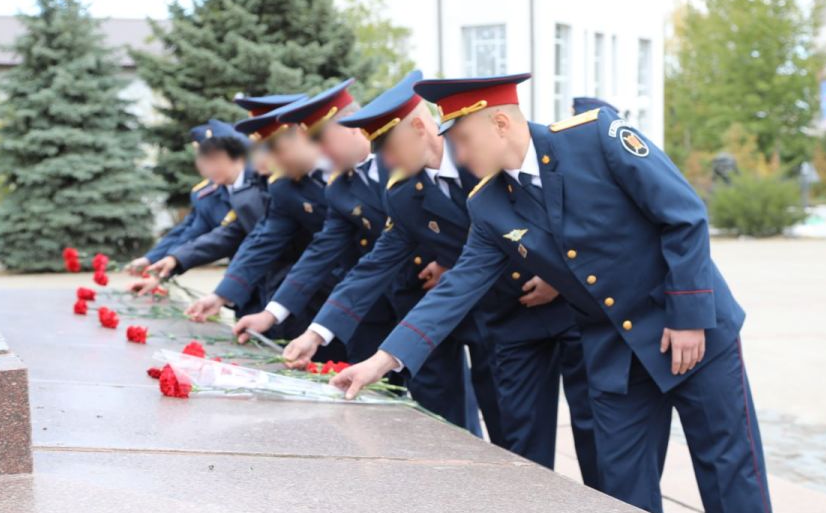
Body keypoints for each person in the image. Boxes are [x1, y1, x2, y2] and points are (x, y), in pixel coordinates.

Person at [331, 73, 776, 513]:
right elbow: (458, 288)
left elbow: (683, 215)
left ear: (500, 122)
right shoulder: (489, 203)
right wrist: (383, 360)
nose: (457, 155)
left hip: (689, 330)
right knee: (623, 490)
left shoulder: (596, 138)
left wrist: (689, 316)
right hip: (614, 351)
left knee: (728, 469)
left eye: (461, 139)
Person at [279, 71, 594, 474]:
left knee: (596, 435)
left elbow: (559, 216)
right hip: (499, 318)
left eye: (389, 147)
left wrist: (556, 272)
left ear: (419, 125)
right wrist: (317, 332)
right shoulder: (403, 193)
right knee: (517, 444)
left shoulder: (485, 153)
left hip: (570, 305)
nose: (385, 160)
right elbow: (376, 264)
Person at [235, 74, 497, 434]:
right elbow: (357, 259)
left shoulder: (473, 157)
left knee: (501, 416)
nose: (383, 157)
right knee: (433, 410)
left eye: (324, 139)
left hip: (497, 301)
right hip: (413, 307)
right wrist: (312, 332)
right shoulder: (360, 187)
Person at [183, 97, 347, 358]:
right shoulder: (284, 184)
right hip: (316, 296)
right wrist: (222, 296)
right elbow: (264, 238)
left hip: (366, 292)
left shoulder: (351, 174)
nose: (263, 161)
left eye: (271, 148)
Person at [126, 120, 267, 311]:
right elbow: (192, 233)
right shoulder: (207, 194)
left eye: (209, 158)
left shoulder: (263, 185)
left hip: (276, 283)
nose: (201, 165)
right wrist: (160, 263)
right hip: (243, 285)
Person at [124, 123, 219, 276]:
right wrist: (153, 259)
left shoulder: (230, 188)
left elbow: (210, 235)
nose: (198, 161)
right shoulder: (202, 191)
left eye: (202, 153)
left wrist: (171, 260)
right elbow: (187, 229)